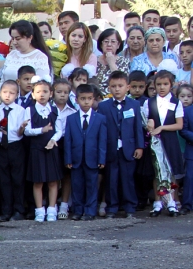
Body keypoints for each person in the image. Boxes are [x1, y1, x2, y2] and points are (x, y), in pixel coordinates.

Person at [99, 72, 144, 218]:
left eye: (120, 86)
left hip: (128, 148)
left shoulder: (134, 105)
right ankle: (112, 208)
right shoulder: (103, 106)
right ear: (109, 88)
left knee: (128, 178)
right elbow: (101, 129)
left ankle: (130, 207)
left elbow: (137, 127)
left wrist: (139, 146)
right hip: (111, 148)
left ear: (128, 87)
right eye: (113, 86)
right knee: (111, 179)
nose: (117, 89)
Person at [63, 84, 106, 221]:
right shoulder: (71, 118)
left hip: (92, 158)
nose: (86, 102)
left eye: (89, 99)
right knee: (77, 186)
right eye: (83, 99)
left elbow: (102, 141)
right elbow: (68, 140)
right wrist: (68, 159)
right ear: (76, 100)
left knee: (92, 186)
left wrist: (102, 159)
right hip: (76, 159)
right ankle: (78, 210)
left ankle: (90, 211)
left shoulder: (100, 119)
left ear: (94, 99)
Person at [24, 77, 65, 222]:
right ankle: (39, 210)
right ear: (33, 94)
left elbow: (60, 130)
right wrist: (42, 130)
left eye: (45, 91)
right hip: (36, 149)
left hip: (51, 148)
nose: (42, 94)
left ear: (51, 94)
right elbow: (27, 131)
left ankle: (52, 209)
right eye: (38, 92)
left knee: (53, 181)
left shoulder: (54, 110)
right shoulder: (29, 110)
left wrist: (53, 140)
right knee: (38, 181)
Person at [144, 71, 184, 216]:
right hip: (156, 141)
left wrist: (162, 127)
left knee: (170, 171)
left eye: (165, 84)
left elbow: (179, 125)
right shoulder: (149, 102)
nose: (162, 87)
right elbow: (146, 120)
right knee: (157, 171)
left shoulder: (176, 102)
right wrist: (149, 125)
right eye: (159, 84)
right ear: (154, 85)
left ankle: (171, 202)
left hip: (170, 140)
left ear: (171, 85)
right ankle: (158, 202)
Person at [0, 80, 27, 222]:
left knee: (17, 179)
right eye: (5, 92)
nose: (8, 95)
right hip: (1, 147)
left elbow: (21, 132)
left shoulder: (21, 111)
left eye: (12, 93)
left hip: (16, 146)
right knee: (3, 180)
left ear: (17, 95)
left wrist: (21, 128)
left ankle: (18, 210)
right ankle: (5, 210)